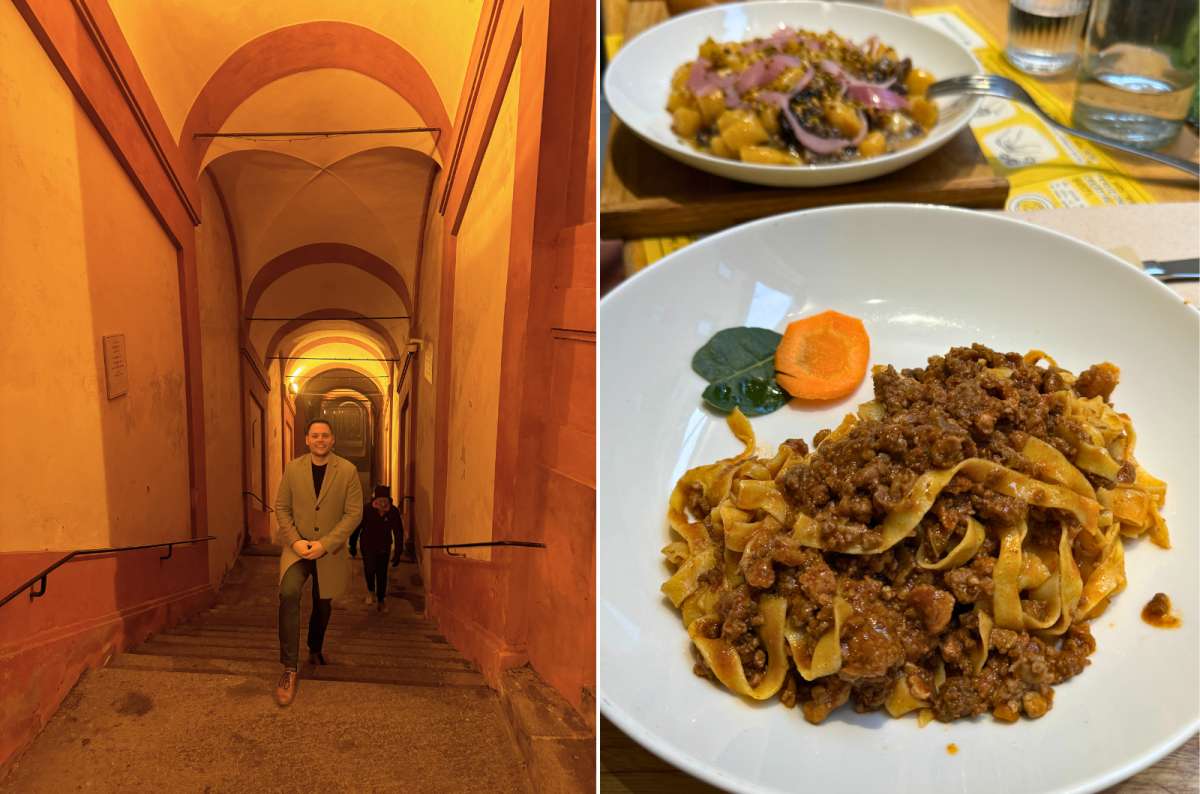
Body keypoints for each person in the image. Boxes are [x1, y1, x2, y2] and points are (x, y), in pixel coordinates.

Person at [272, 417, 363, 707]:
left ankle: (315, 646)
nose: (320, 439)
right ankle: (289, 668)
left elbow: (353, 513)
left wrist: (325, 544)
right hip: (297, 548)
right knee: (288, 593)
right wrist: (296, 541)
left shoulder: (347, 471)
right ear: (307, 440)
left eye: (325, 435)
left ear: (332, 439)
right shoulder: (292, 468)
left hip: (329, 550)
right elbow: (282, 507)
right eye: (315, 435)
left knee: (323, 603)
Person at [349, 486, 403, 612]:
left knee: (382, 573)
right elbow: (357, 528)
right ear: (375, 500)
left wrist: (398, 552)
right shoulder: (367, 510)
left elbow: (398, 532)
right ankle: (370, 591)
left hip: (384, 546)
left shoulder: (393, 512)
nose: (383, 503)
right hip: (367, 545)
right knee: (369, 568)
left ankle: (381, 599)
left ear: (389, 500)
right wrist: (352, 545)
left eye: (385, 500)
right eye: (380, 500)